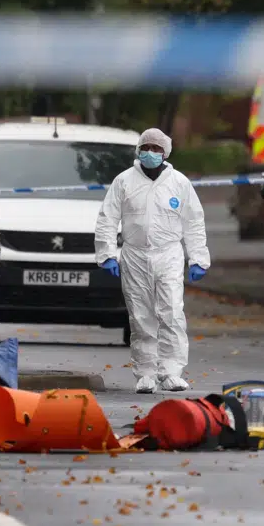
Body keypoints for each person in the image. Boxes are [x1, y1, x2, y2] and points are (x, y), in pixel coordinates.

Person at [95, 127, 211, 394]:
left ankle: (171, 371)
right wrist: (107, 254)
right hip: (135, 255)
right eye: (146, 147)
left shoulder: (179, 183)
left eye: (156, 149)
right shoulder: (124, 181)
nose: (150, 153)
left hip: (168, 253)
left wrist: (198, 258)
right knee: (140, 315)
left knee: (171, 312)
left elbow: (193, 222)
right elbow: (107, 218)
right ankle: (146, 373)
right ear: (138, 150)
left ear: (165, 153)